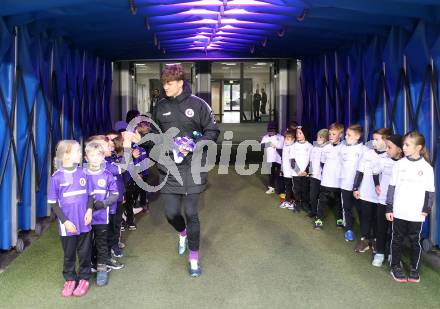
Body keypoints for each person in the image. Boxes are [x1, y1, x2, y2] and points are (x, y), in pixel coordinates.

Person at [151, 64, 220, 277]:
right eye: (163, 84)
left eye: (169, 83)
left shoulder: (199, 105)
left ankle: (193, 257)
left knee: (191, 212)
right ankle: (182, 233)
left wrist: (193, 145)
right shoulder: (160, 106)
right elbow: (155, 134)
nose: (165, 87)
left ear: (181, 82)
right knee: (171, 213)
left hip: (193, 167)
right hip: (169, 168)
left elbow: (212, 130)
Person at [386, 131, 435, 283]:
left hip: (416, 214)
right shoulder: (399, 164)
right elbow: (392, 187)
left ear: (418, 147)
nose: (404, 147)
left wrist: (426, 210)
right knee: (397, 240)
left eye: (407, 145)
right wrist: (389, 208)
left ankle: (415, 269)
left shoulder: (427, 168)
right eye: (403, 144)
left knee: (415, 241)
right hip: (399, 212)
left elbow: (430, 192)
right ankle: (395, 266)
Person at [48, 140, 93, 297]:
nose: (81, 154)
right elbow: (53, 204)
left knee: (85, 252)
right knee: (69, 254)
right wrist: (65, 221)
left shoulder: (84, 172)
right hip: (67, 226)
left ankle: (84, 278)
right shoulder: (56, 177)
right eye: (77, 151)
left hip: (84, 223)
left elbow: (90, 196)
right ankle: (70, 279)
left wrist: (89, 210)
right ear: (66, 154)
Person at [84, 141, 119, 286]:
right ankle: (87, 268)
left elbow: (115, 194)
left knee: (101, 243)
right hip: (85, 217)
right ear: (86, 158)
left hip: (101, 217)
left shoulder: (107, 175)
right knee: (85, 245)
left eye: (99, 155)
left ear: (103, 156)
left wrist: (103, 203)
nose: (96, 158)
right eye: (92, 155)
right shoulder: (81, 173)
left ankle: (102, 269)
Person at [353, 128, 391, 252]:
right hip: (365, 193)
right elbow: (360, 171)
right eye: (373, 139)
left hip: (381, 197)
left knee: (378, 220)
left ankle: (376, 240)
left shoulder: (390, 155)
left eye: (376, 139)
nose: (373, 142)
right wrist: (356, 187)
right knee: (365, 217)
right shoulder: (368, 153)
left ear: (386, 140)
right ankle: (364, 239)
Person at [371, 134, 403, 267]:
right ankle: (379, 253)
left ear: (400, 150)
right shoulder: (383, 159)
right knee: (381, 228)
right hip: (383, 201)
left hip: (399, 204)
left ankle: (392, 255)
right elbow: (375, 172)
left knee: (395, 231)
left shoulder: (404, 163)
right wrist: (377, 185)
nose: (387, 150)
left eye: (390, 147)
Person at [314, 122, 344, 230]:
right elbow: (322, 162)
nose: (331, 136)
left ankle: (340, 219)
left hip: (338, 181)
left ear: (340, 135)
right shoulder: (325, 148)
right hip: (326, 180)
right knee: (322, 200)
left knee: (338, 201)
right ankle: (319, 219)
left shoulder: (344, 148)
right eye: (330, 134)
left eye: (334, 134)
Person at [339, 124, 365, 242]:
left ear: (357, 136)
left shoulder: (363, 150)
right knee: (346, 208)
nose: (346, 136)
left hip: (358, 187)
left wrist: (357, 186)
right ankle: (348, 229)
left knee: (361, 209)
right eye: (346, 134)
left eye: (349, 135)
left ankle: (365, 234)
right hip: (345, 184)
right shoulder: (342, 148)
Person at [308, 129, 329, 218]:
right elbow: (311, 161)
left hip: (323, 178)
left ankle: (320, 214)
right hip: (314, 176)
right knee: (313, 195)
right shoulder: (314, 148)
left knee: (322, 197)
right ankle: (313, 211)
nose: (318, 139)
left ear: (326, 138)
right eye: (317, 137)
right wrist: (310, 172)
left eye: (321, 137)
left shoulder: (328, 148)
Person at [291, 126, 312, 212]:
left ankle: (305, 204)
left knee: (305, 189)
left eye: (300, 133)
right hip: (296, 173)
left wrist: (306, 172)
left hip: (305, 174)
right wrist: (298, 171)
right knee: (296, 189)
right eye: (297, 133)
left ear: (305, 134)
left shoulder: (310, 146)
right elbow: (292, 161)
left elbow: (311, 161)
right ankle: (297, 203)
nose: (298, 135)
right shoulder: (293, 146)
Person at [260, 121, 283, 194]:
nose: (270, 132)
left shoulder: (281, 137)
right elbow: (261, 146)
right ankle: (271, 187)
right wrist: (269, 144)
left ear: (275, 130)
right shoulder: (265, 137)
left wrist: (275, 146)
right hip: (270, 159)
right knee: (271, 173)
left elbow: (282, 147)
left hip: (279, 158)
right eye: (269, 131)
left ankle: (280, 188)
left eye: (272, 130)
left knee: (280, 173)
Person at [279, 128, 296, 210]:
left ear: (293, 139)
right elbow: (283, 159)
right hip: (286, 172)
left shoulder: (293, 147)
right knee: (287, 187)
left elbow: (293, 162)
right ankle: (288, 200)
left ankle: (291, 201)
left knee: (291, 187)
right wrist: (282, 169)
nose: (286, 140)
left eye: (288, 139)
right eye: (285, 138)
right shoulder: (285, 146)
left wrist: (297, 172)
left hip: (291, 173)